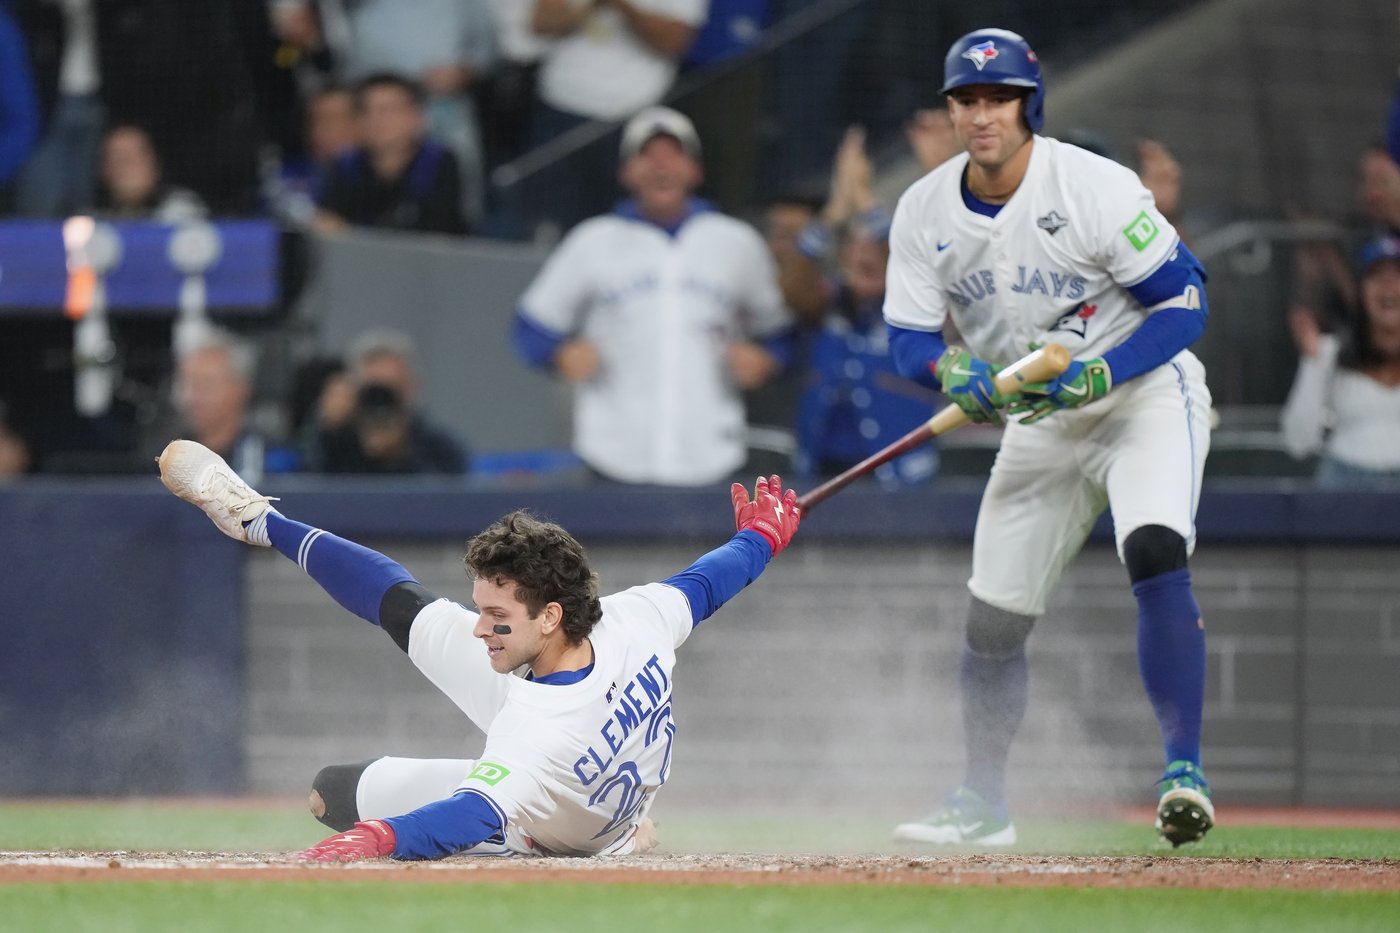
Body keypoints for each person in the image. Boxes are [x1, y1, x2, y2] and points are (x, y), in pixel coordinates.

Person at [882, 29, 1215, 847]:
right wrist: (946, 368)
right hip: (1039, 416)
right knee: (993, 616)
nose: (983, 113)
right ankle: (984, 801)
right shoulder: (924, 209)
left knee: (1155, 547)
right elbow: (906, 336)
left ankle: (1183, 771)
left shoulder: (1093, 185)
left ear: (1029, 104)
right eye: (968, 98)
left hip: (1141, 395)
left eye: (1000, 98)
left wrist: (1106, 373)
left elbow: (1185, 301)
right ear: (951, 108)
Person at [156, 438, 800, 861]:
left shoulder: (533, 729)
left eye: (496, 615)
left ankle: (629, 838)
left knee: (331, 795)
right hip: (577, 747)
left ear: (549, 615)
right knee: (409, 609)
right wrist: (764, 536)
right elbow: (710, 581)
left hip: (551, 824)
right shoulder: (633, 619)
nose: (478, 627)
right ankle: (259, 521)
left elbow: (468, 815)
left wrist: (378, 838)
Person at [512, 106, 793, 486]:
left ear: (695, 170)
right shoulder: (593, 240)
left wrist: (767, 360)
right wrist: (559, 354)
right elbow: (530, 326)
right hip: (613, 453)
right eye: (647, 155)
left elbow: (783, 331)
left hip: (710, 452)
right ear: (626, 172)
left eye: (674, 154)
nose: (661, 165)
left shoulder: (735, 242)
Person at [791, 127, 938, 488]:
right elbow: (794, 285)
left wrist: (862, 197)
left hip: (903, 482)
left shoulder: (923, 308)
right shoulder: (824, 308)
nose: (865, 254)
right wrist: (834, 213)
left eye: (876, 247)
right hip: (819, 475)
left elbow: (913, 254)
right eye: (854, 246)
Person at [1281, 234, 1400, 487]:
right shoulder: (1329, 353)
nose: (1389, 287)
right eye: (1377, 277)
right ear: (1360, 291)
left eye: (1397, 276)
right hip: (1345, 488)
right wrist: (1312, 363)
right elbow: (1297, 442)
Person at [316, 73, 468, 235]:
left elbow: (440, 229)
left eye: (388, 111)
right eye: (367, 111)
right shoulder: (347, 165)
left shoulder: (438, 162)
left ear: (415, 117)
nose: (377, 120)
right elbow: (329, 221)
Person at [312, 328, 469, 475]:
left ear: (412, 386)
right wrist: (329, 431)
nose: (382, 401)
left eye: (392, 389)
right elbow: (306, 488)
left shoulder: (439, 448)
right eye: (374, 390)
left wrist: (400, 455)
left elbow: (447, 496)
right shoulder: (337, 442)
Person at [92, 123, 207, 223]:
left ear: (155, 164)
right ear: (103, 169)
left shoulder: (182, 211)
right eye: (115, 158)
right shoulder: (92, 222)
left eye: (132, 158)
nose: (124, 167)